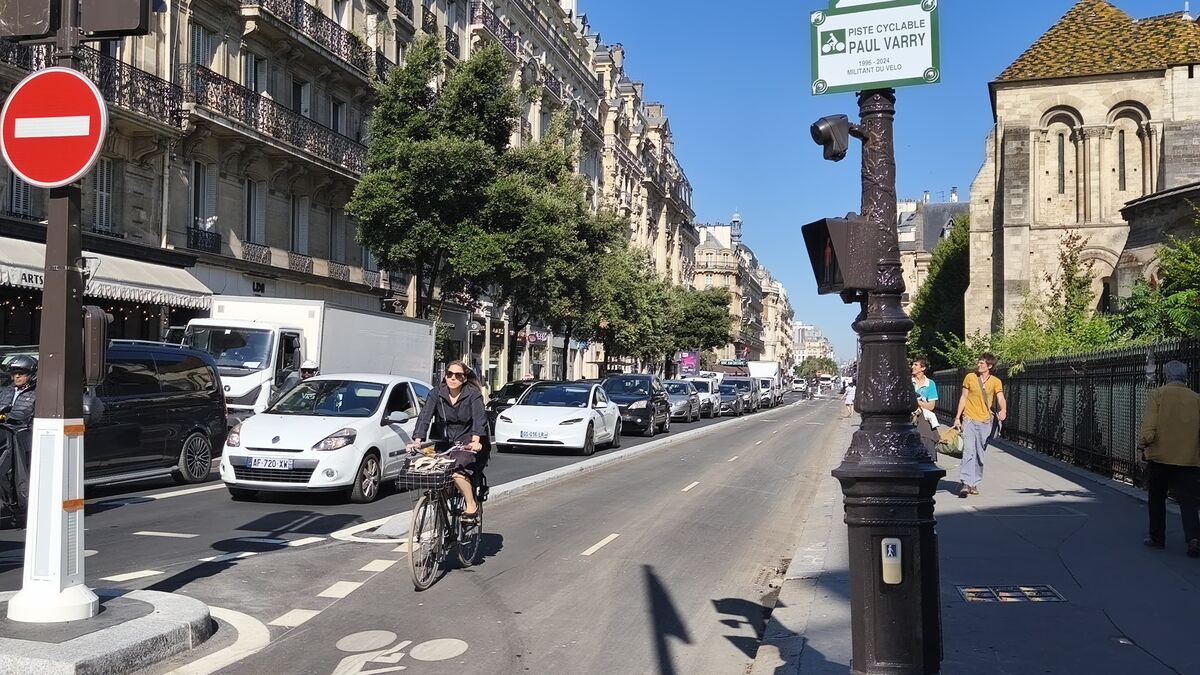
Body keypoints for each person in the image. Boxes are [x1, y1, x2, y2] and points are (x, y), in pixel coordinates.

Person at [407, 361, 487, 521]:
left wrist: (476, 441)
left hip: (466, 440)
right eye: (449, 374)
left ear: (464, 378)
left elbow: (479, 419)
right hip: (444, 441)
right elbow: (425, 416)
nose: (453, 378)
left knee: (456, 471)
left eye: (458, 375)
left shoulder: (472, 394)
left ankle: (471, 504)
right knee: (435, 471)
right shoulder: (436, 393)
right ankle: (442, 519)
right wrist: (417, 440)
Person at [1137, 360, 1200, 558]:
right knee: (1189, 501)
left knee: (1156, 497)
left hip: (1161, 456)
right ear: (1185, 377)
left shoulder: (1158, 395)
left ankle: (1157, 537)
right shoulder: (1196, 398)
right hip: (1189, 457)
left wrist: (1143, 445)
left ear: (1166, 375)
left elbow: (1150, 427)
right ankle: (1193, 539)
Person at [953, 353, 1007, 498]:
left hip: (985, 422)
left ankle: (974, 483)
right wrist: (958, 417)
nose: (979, 365)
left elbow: (1000, 397)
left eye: (982, 363)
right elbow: (963, 397)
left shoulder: (995, 381)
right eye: (979, 362)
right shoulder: (970, 377)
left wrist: (1003, 409)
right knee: (968, 451)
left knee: (979, 453)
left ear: (989, 366)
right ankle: (965, 482)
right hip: (969, 419)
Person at [0, 356, 37, 428]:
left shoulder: (36, 393)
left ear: (31, 375)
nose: (17, 376)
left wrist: (7, 416)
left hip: (24, 434)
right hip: (4, 432)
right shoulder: (5, 392)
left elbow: (27, 417)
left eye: (21, 373)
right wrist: (3, 417)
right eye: (14, 373)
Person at [912, 357, 940, 431]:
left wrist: (915, 401)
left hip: (923, 417)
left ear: (923, 368)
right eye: (912, 364)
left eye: (916, 365)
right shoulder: (908, 382)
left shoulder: (930, 383)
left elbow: (931, 406)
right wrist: (923, 404)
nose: (912, 367)